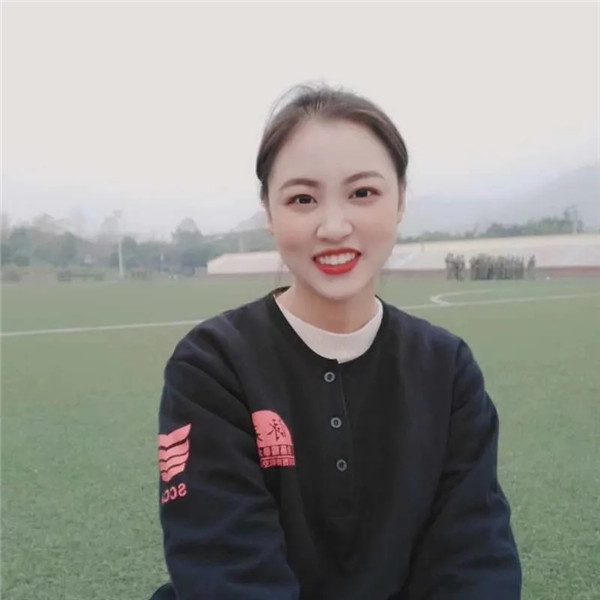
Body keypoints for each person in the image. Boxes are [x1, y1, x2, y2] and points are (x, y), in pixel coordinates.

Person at [149, 85, 521, 600]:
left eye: (362, 193)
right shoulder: (213, 364)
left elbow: (473, 558)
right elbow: (226, 570)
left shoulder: (446, 367)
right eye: (302, 199)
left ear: (400, 199)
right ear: (269, 212)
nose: (334, 226)